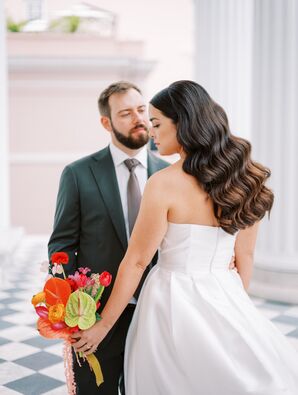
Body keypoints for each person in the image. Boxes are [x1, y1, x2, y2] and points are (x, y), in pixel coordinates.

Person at [71, 80, 298, 394]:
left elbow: (136, 262)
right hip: (227, 295)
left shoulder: (162, 183)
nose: (151, 132)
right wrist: (235, 310)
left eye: (157, 123)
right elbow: (245, 258)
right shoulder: (247, 178)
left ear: (184, 124)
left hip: (169, 303)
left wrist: (103, 327)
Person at [48, 81, 169, 395]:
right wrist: (73, 310)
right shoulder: (78, 173)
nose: (138, 118)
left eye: (142, 110)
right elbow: (61, 246)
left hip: (155, 312)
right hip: (95, 313)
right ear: (107, 122)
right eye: (126, 113)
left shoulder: (169, 175)